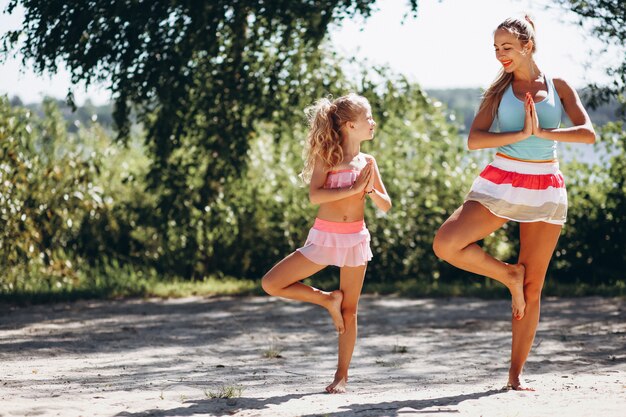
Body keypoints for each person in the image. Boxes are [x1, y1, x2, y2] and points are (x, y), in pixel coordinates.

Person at [432, 15, 595, 390]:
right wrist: (520, 133)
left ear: (527, 46)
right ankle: (508, 274)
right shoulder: (497, 91)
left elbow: (587, 134)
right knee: (446, 243)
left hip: (545, 186)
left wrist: (541, 132)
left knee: (534, 286)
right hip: (502, 179)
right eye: (495, 49)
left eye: (506, 47)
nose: (500, 55)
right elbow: (474, 139)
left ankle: (515, 375)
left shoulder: (559, 85)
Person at [261, 93, 392, 394]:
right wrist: (353, 187)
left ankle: (341, 376)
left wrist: (369, 191)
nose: (373, 122)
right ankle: (325, 299)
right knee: (272, 283)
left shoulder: (368, 162)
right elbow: (316, 196)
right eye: (367, 118)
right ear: (349, 125)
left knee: (351, 310)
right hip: (325, 236)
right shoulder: (328, 157)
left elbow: (386, 206)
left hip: (355, 239)